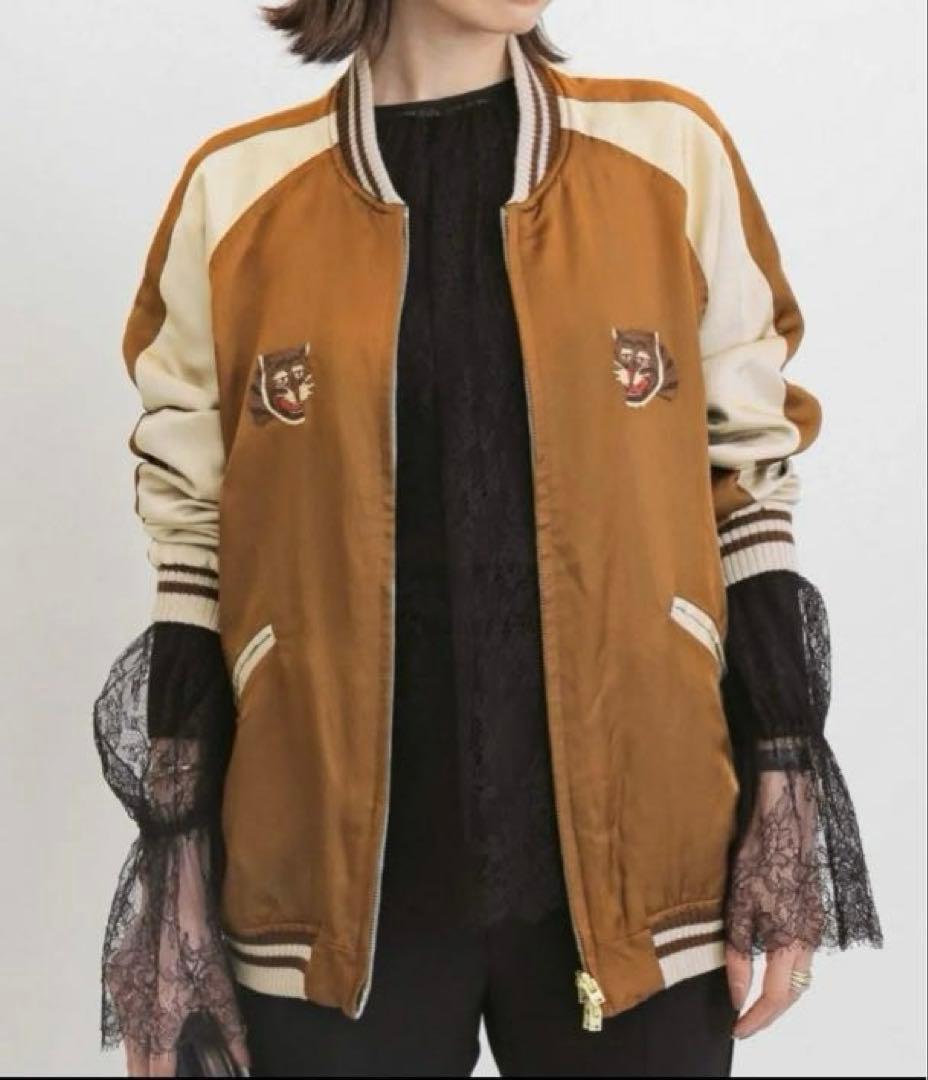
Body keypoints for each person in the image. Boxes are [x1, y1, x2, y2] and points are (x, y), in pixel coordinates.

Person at [92, 1, 883, 1076]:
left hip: (644, 868)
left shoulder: (670, 157)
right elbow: (195, 546)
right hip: (321, 889)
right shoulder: (236, 196)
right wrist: (175, 870)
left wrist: (783, 781)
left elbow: (747, 487)